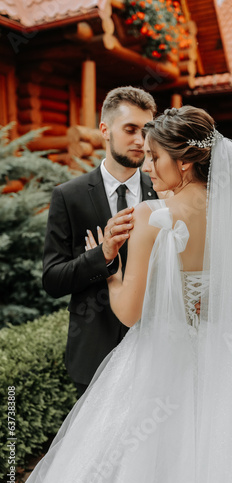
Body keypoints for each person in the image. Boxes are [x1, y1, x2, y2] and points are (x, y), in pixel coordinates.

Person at [18, 106, 232, 483]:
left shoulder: (152, 215)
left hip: (160, 367)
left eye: (155, 156)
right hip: (229, 362)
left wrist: (110, 268)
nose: (146, 165)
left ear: (183, 163)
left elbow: (130, 314)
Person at [42, 86, 158, 397]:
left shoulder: (164, 192)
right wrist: (102, 256)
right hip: (94, 354)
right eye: (130, 129)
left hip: (156, 353)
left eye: (146, 130)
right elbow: (52, 279)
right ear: (104, 130)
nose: (140, 140)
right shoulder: (69, 196)